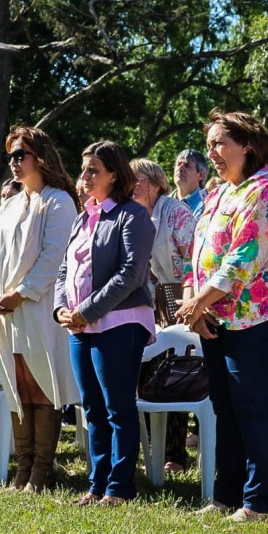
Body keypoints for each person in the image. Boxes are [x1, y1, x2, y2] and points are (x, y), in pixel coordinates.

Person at [174, 111, 268, 521]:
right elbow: (196, 255)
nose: (213, 153)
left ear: (248, 146)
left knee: (250, 406)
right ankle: (227, 495)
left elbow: (242, 260)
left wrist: (197, 304)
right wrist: (194, 302)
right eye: (210, 146)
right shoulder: (219, 193)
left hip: (254, 317)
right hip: (212, 317)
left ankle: (258, 501)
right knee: (224, 407)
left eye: (220, 143)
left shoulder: (267, 191)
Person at [55, 140, 155, 506]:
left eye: (93, 170)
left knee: (117, 409)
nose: (84, 176)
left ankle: (119, 487)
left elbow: (131, 273)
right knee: (92, 409)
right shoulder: (84, 216)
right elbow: (65, 269)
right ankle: (96, 484)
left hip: (120, 322)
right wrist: (61, 309)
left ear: (114, 175)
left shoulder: (133, 215)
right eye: (83, 169)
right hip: (79, 326)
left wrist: (88, 310)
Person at [0, 126, 81, 492]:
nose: (14, 162)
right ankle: (22, 467)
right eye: (10, 156)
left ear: (39, 157)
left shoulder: (59, 202)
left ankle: (42, 469)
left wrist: (20, 293)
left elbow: (55, 256)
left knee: (42, 383)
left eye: (19, 155)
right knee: (16, 383)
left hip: (38, 308)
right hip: (4, 308)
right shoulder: (10, 203)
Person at [130, 158, 196, 473]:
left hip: (180, 294)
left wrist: (185, 301)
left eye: (137, 178)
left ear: (155, 182)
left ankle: (175, 455)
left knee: (176, 369)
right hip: (152, 298)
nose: (131, 184)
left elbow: (193, 259)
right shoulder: (136, 215)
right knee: (151, 370)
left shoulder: (176, 212)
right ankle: (153, 452)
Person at [171, 149, 209, 219]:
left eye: (187, 165)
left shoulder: (208, 203)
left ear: (201, 175)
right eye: (178, 164)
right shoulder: (162, 202)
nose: (180, 168)